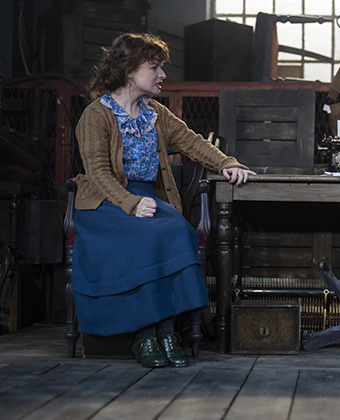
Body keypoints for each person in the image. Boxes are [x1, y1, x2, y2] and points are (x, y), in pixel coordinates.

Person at [72, 32, 256, 368]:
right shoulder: (96, 115)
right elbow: (98, 172)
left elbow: (192, 141)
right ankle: (145, 336)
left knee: (178, 230)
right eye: (154, 67)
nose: (163, 75)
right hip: (104, 202)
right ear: (130, 71)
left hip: (145, 196)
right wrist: (129, 203)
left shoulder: (154, 113)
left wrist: (227, 163)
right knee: (147, 234)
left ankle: (168, 331)